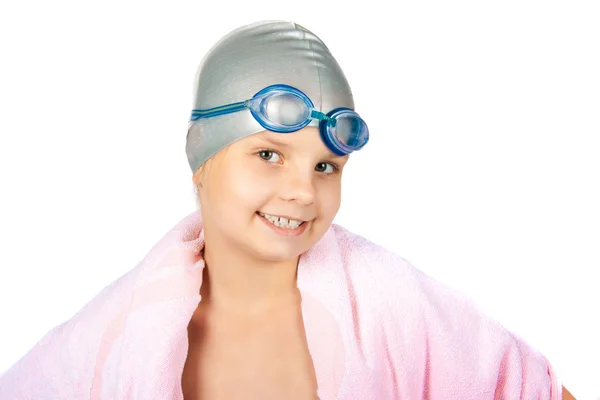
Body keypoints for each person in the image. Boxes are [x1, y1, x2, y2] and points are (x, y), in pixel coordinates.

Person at [0, 20, 575, 400]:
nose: (303, 191)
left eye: (326, 167)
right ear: (200, 157)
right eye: (269, 154)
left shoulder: (397, 309)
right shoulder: (114, 335)